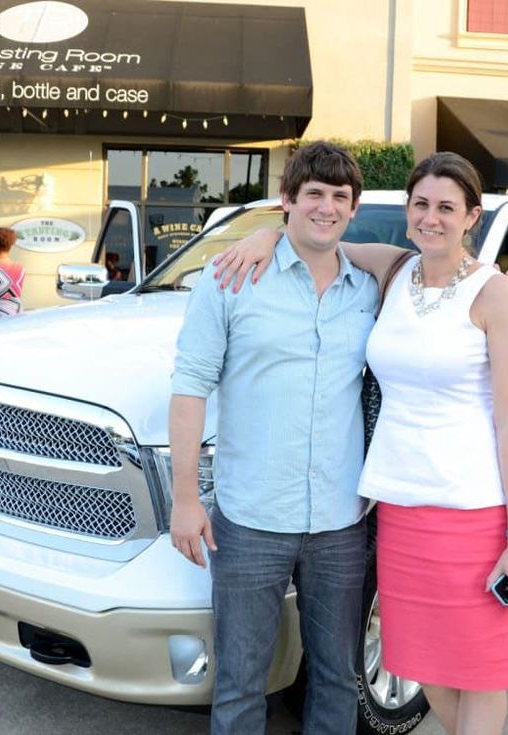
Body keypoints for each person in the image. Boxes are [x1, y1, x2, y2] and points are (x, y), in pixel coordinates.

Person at [215, 152, 508, 734]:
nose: (431, 218)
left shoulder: (495, 295)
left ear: (472, 217)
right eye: (421, 204)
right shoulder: (394, 270)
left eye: (447, 208)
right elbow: (322, 239)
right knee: (425, 667)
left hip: (471, 512)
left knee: (480, 671)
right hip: (401, 510)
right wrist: (268, 233)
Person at [168, 141, 377, 734]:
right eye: (314, 194)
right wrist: (185, 499)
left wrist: (495, 282)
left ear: (353, 208)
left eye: (339, 197)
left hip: (340, 521)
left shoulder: (369, 290)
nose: (326, 207)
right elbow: (189, 389)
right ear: (286, 199)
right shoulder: (231, 279)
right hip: (250, 519)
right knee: (240, 684)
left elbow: (430, 268)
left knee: (337, 677)